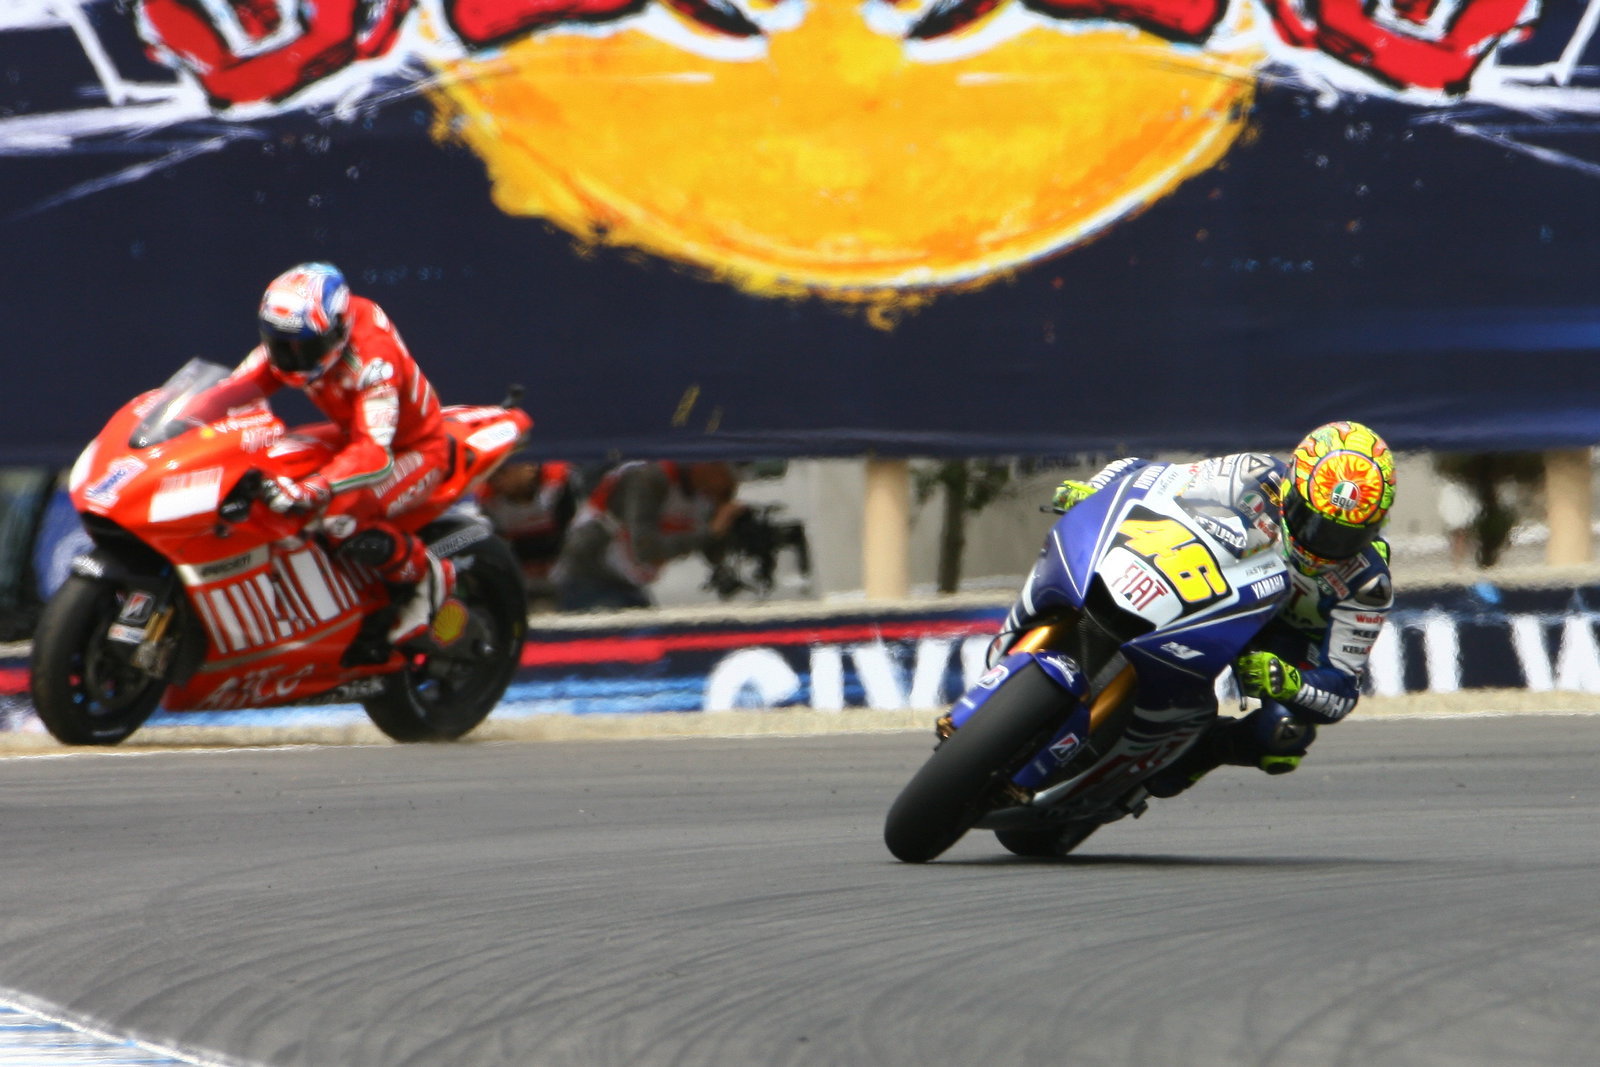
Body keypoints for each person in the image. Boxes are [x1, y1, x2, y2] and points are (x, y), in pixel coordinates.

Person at [1032, 420, 1396, 796]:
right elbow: (1152, 475)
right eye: (1312, 521)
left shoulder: (1368, 584)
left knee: (1284, 734)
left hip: (1282, 641)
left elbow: (1342, 690)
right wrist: (1096, 492)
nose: (1323, 543)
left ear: (1375, 527)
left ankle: (1194, 753)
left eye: (1346, 536)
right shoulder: (1254, 474)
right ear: (1291, 488)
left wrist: (1290, 681)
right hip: (1221, 582)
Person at [225, 262, 456, 647]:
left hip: (412, 449)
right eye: (283, 345)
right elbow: (233, 393)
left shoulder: (373, 362)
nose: (293, 358)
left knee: (337, 518)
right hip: (351, 435)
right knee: (274, 463)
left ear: (337, 331)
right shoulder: (300, 335)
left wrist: (315, 487)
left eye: (305, 346)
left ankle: (426, 575)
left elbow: (373, 452)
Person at [552, 460, 746, 611]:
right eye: (728, 477)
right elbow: (645, 548)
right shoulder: (650, 477)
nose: (731, 487)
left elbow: (712, 553)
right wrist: (710, 531)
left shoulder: (703, 496)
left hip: (627, 582)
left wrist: (728, 528)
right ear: (709, 466)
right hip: (589, 573)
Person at [477, 456, 578, 602]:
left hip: (566, 575)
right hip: (519, 580)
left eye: (502, 472)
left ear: (528, 467)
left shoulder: (561, 484)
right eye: (491, 474)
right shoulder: (485, 501)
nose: (496, 480)